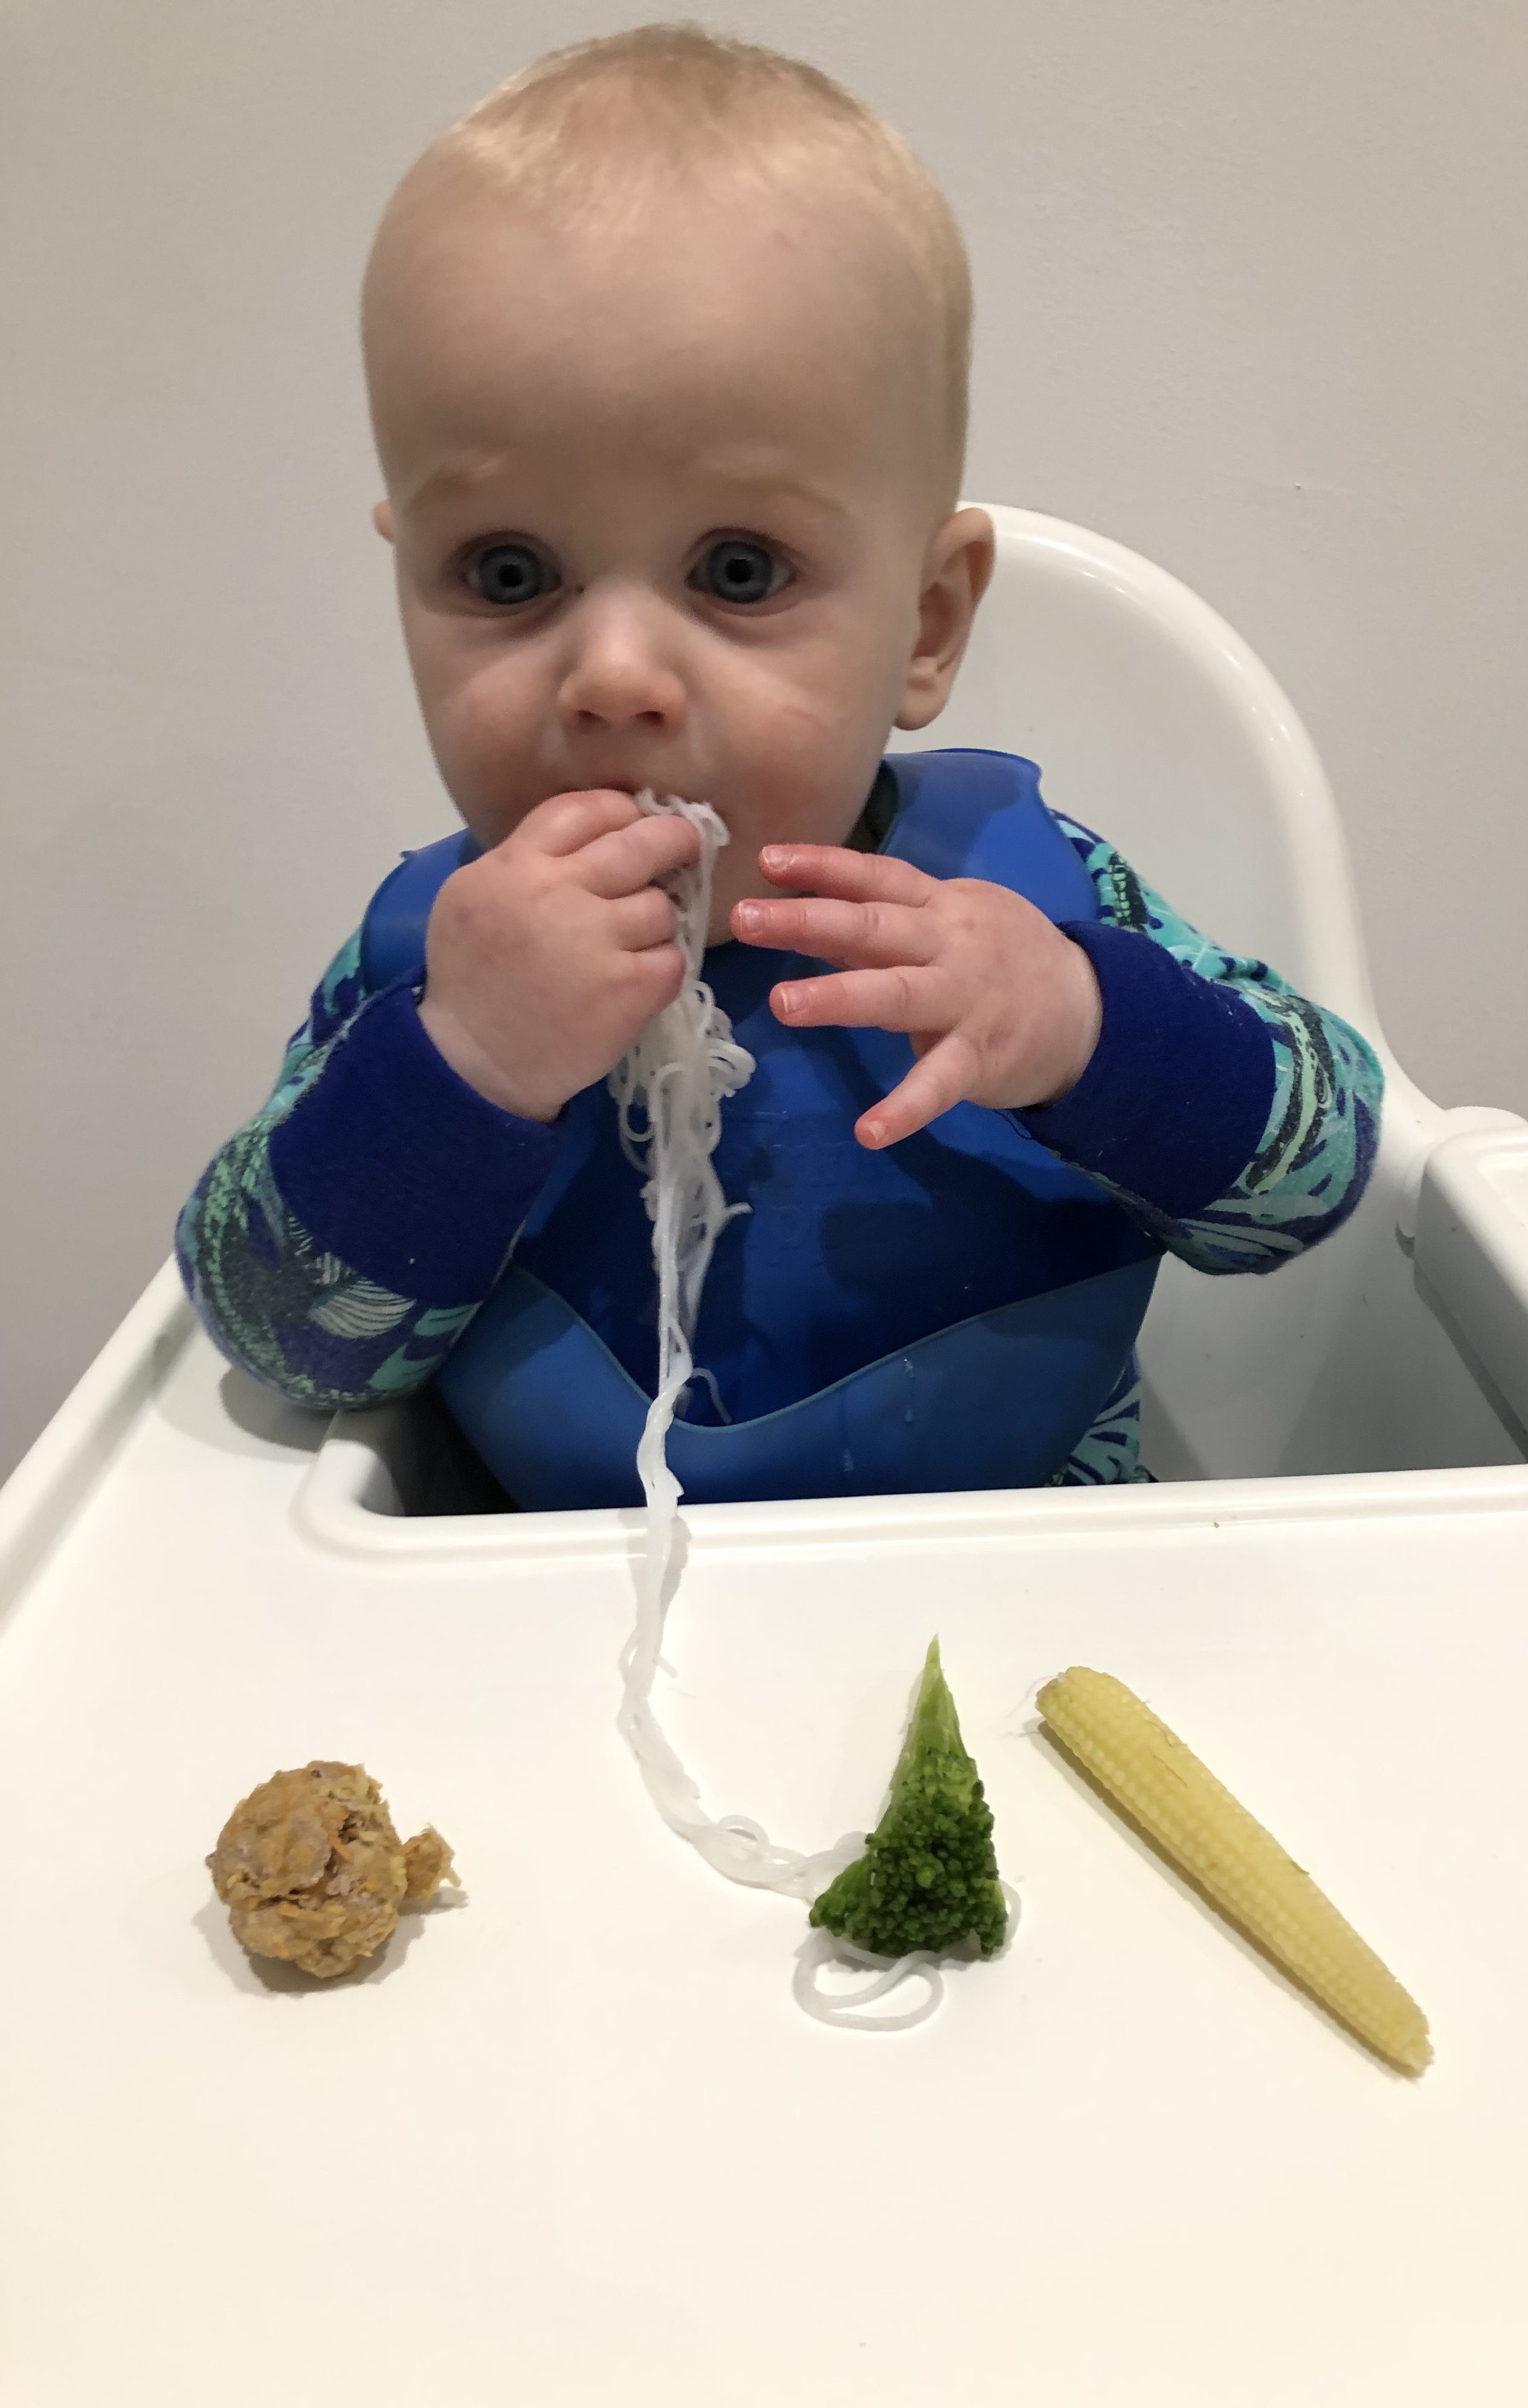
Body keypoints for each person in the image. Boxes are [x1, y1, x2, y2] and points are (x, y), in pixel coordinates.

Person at [176, 25, 1384, 1511]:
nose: (614, 674)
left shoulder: (1038, 902)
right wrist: (462, 1070)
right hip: (542, 1630)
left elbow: (1319, 1178)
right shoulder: (434, 973)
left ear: (927, 624)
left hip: (1031, 1606)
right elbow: (275, 1340)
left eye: (737, 568)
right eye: (506, 570)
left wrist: (1085, 1028)